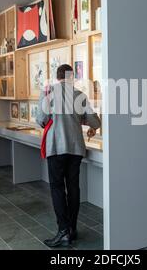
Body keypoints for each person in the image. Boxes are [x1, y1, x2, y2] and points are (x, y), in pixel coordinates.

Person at [36, 64, 101, 248]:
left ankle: (63, 231)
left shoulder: (48, 93)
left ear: (57, 77)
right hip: (75, 148)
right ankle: (72, 228)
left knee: (57, 188)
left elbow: (41, 119)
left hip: (56, 147)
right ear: (72, 77)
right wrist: (89, 126)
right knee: (74, 188)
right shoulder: (80, 95)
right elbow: (95, 121)